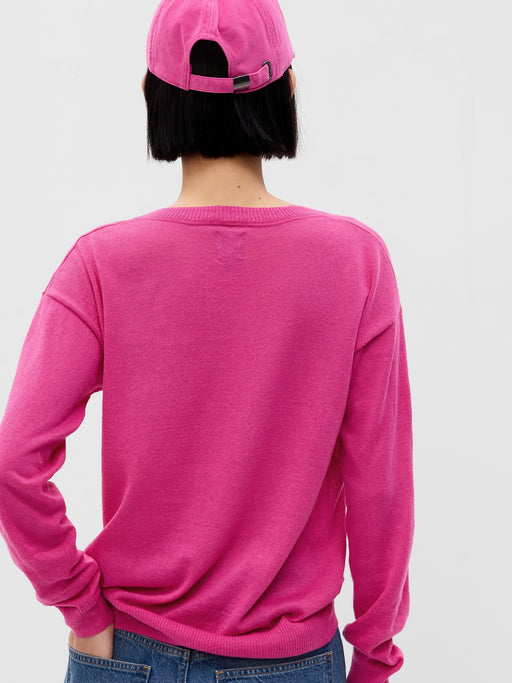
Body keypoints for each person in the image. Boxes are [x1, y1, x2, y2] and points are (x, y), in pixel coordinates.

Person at [0, 0, 415, 681]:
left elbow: (13, 459)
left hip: (126, 652)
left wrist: (82, 606)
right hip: (288, 660)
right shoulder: (356, 263)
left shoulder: (100, 264)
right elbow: (382, 488)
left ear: (151, 94)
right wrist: (374, 654)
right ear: (286, 90)